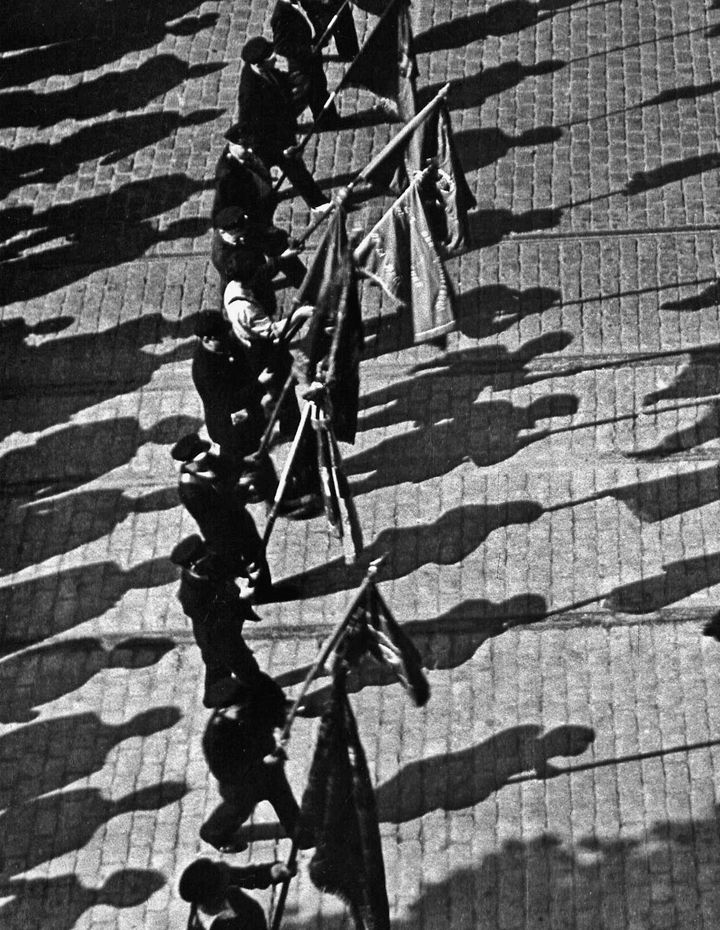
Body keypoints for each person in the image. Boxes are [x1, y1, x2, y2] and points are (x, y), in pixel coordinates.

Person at [200, 673, 302, 852]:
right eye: (240, 707)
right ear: (223, 710)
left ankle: (302, 835)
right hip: (241, 784)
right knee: (238, 810)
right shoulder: (216, 737)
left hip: (269, 765)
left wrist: (278, 729)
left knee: (284, 799)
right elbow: (226, 772)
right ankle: (213, 833)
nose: (246, 707)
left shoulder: (245, 701)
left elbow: (271, 709)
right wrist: (263, 763)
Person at [171, 533, 267, 709]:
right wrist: (240, 597)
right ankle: (269, 700)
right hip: (217, 637)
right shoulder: (190, 597)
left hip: (227, 626)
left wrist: (245, 570)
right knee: (245, 667)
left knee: (217, 667)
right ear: (194, 567)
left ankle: (214, 696)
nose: (211, 557)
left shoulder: (208, 563)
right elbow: (216, 618)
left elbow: (227, 567)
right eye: (206, 558)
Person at [236, 36, 331, 210]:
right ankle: (317, 204)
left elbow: (278, 79)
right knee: (276, 174)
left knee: (294, 171)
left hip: (280, 133)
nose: (274, 57)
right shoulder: (249, 93)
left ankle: (317, 203)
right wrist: (282, 148)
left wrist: (293, 80)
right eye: (269, 57)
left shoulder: (263, 70)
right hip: (267, 142)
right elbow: (250, 125)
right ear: (258, 65)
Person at [171, 434, 273, 591]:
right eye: (200, 459)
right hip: (223, 533)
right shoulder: (190, 490)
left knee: (257, 550)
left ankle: (264, 588)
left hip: (239, 518)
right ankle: (244, 594)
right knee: (238, 563)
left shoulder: (207, 461)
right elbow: (220, 512)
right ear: (190, 463)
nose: (206, 460)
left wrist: (245, 462)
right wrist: (241, 489)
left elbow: (228, 466)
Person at [270, 0, 340, 125]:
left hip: (311, 55)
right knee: (313, 91)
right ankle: (327, 122)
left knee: (319, 87)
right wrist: (306, 51)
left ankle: (329, 119)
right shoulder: (281, 15)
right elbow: (280, 46)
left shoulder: (297, 3)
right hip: (302, 60)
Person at [179, 857, 294, 930]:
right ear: (213, 898)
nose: (228, 884)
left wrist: (271, 872)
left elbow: (246, 876)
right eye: (224, 886)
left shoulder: (216, 882)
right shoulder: (214, 926)